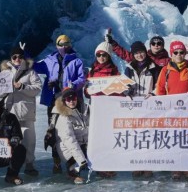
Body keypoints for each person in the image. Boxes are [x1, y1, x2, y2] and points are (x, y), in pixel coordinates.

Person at [33, 34, 85, 173]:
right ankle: (56, 161)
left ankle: (73, 162)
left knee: (72, 131)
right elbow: (35, 67)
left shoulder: (76, 61)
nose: (64, 47)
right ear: (56, 45)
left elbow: (82, 79)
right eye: (61, 44)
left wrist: (69, 86)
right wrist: (23, 54)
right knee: (54, 131)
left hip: (70, 100)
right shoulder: (49, 60)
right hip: (54, 100)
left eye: (67, 44)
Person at [155, 40, 188, 181]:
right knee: (174, 139)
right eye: (176, 52)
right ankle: (176, 167)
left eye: (181, 52)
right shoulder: (165, 70)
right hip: (171, 112)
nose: (179, 55)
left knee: (187, 139)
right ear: (171, 54)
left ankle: (187, 166)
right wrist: (163, 106)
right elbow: (159, 89)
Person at [120, 41, 162, 178]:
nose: (139, 55)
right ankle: (137, 164)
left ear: (145, 51)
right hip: (134, 106)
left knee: (149, 135)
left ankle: (148, 165)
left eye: (141, 52)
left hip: (149, 105)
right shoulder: (128, 68)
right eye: (136, 53)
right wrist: (127, 92)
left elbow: (159, 84)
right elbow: (123, 84)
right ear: (133, 55)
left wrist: (154, 93)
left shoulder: (154, 67)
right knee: (136, 136)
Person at [0, 43, 43, 176]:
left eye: (19, 56)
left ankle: (29, 164)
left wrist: (22, 87)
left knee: (29, 140)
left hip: (26, 112)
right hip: (10, 111)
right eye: (14, 57)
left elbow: (37, 89)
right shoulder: (5, 73)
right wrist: (4, 90)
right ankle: (14, 166)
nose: (17, 59)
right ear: (10, 59)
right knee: (12, 141)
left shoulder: (31, 72)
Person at [85, 41, 119, 178]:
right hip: (96, 109)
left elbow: (118, 90)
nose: (101, 57)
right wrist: (87, 90)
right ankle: (99, 165)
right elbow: (88, 92)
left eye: (104, 55)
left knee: (109, 138)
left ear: (109, 56)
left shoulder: (114, 71)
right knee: (97, 138)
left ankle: (109, 165)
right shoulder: (92, 71)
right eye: (98, 55)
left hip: (109, 109)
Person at [51, 88, 90, 184]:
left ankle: (100, 168)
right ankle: (73, 173)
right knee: (76, 165)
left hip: (84, 143)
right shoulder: (63, 117)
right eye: (68, 99)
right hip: (68, 147)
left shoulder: (85, 109)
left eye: (74, 98)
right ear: (64, 101)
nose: (72, 101)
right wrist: (81, 160)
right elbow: (69, 140)